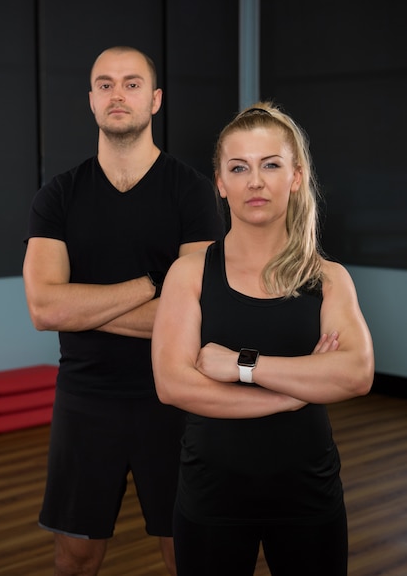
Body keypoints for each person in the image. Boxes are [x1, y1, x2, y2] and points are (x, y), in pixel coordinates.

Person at [23, 45, 224, 576]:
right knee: (76, 555)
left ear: (154, 100)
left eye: (132, 84)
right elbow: (44, 307)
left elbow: (196, 314)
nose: (118, 94)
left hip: (175, 393)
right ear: (90, 100)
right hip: (85, 398)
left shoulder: (192, 192)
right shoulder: (58, 195)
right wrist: (156, 284)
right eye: (105, 84)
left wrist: (81, 306)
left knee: (186, 548)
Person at [151, 101, 375, 576]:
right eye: (239, 167)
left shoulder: (328, 278)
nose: (255, 181)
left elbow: (356, 373)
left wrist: (240, 367)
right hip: (211, 497)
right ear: (220, 181)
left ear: (295, 176)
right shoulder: (189, 273)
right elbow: (173, 385)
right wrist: (293, 393)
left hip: (308, 497)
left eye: (271, 165)